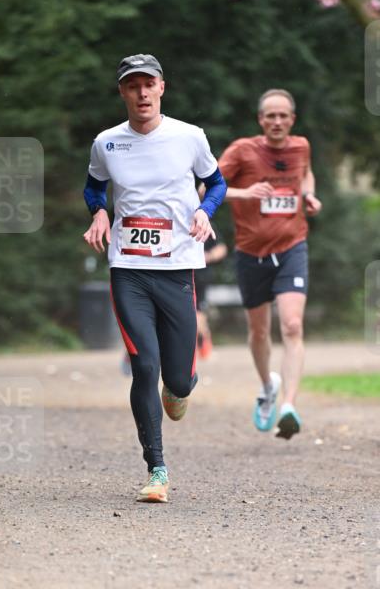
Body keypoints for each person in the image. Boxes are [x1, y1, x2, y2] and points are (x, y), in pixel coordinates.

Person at [83, 53, 227, 504]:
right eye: (132, 86)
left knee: (178, 380)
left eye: (149, 84)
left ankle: (180, 386)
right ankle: (157, 469)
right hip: (128, 267)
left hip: (178, 266)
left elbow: (217, 182)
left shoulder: (190, 137)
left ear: (162, 87)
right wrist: (100, 212)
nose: (142, 93)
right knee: (144, 363)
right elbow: (93, 186)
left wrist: (205, 211)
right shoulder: (107, 143)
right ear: (122, 92)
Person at [217, 89, 321, 439]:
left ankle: (289, 407)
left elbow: (305, 174)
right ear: (261, 120)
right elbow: (204, 187)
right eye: (270, 116)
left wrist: (307, 194)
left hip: (292, 245)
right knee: (259, 331)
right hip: (250, 252)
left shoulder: (301, 146)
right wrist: (245, 193)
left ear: (292, 120)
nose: (277, 122)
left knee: (292, 326)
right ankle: (267, 388)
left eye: (283, 116)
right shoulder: (242, 151)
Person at [194, 228, 228, 360]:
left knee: (198, 314)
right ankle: (203, 344)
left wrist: (207, 256)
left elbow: (222, 248)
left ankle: (204, 343)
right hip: (178, 276)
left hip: (200, 277)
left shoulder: (204, 224)